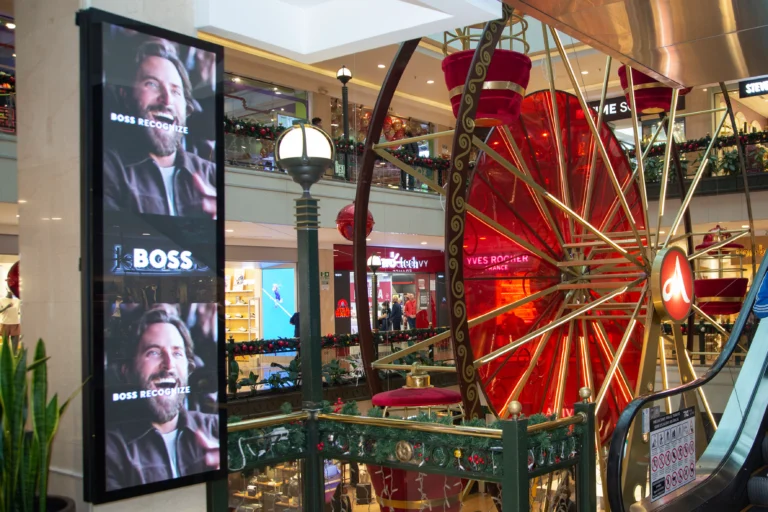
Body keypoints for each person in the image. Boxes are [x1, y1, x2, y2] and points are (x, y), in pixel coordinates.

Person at [106, 307, 219, 491]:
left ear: (189, 369)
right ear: (128, 371)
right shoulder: (110, 450)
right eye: (154, 352)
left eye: (177, 353)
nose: (169, 364)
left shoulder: (215, 428)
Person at [104, 40, 217, 218]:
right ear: (125, 96)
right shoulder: (108, 168)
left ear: (187, 108)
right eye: (152, 84)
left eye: (175, 91)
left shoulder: (211, 174)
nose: (167, 100)